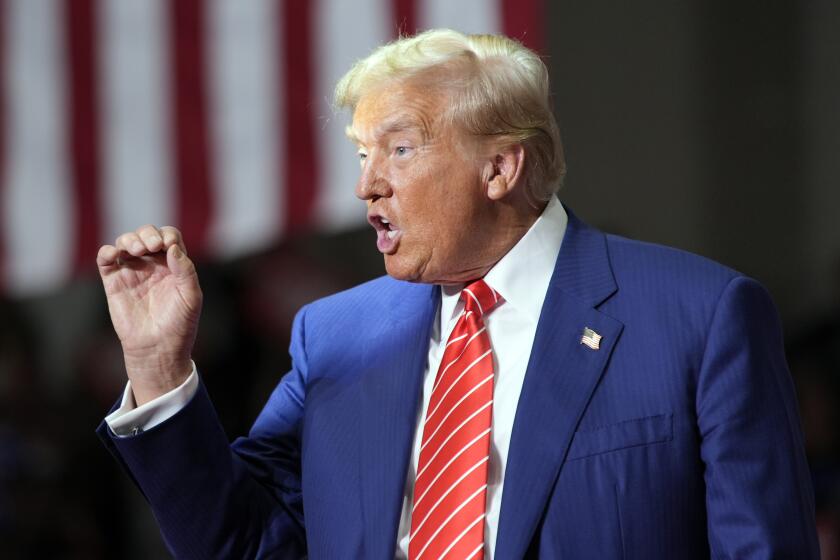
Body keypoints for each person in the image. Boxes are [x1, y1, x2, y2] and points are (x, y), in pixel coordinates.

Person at [96, 29, 819, 559]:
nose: (366, 184)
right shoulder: (336, 337)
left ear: (500, 167)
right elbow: (242, 541)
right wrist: (158, 367)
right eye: (361, 153)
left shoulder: (700, 318)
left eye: (400, 149)